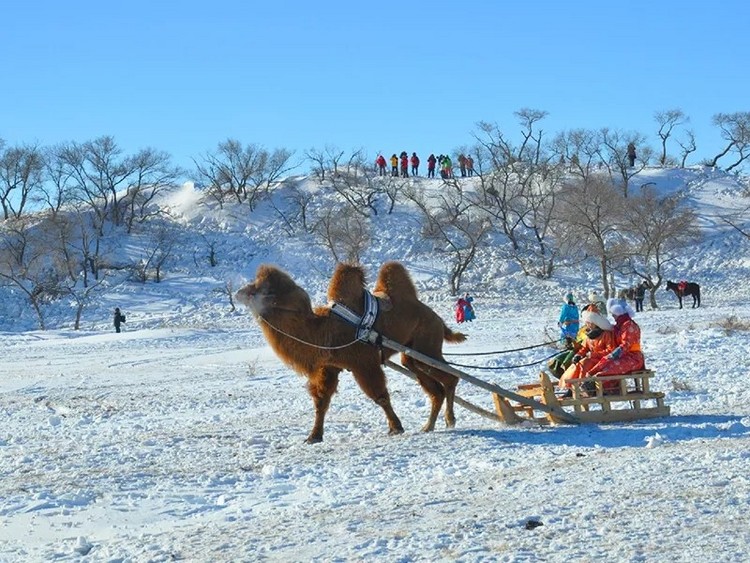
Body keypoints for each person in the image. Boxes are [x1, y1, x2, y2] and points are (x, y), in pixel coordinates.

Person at [587, 298, 645, 393]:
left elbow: (626, 345)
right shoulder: (619, 326)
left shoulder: (629, 325)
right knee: (602, 363)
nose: (613, 316)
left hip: (633, 357)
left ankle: (600, 388)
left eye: (614, 314)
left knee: (609, 368)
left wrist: (613, 355)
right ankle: (592, 382)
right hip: (623, 356)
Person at [557, 310, 616, 393]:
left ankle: (583, 387)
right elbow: (584, 348)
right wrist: (578, 355)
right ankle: (571, 388)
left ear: (594, 323)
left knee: (585, 363)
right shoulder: (589, 336)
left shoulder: (606, 334)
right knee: (577, 364)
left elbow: (610, 350)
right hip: (592, 358)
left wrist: (594, 354)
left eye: (588, 322)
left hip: (603, 360)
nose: (587, 324)